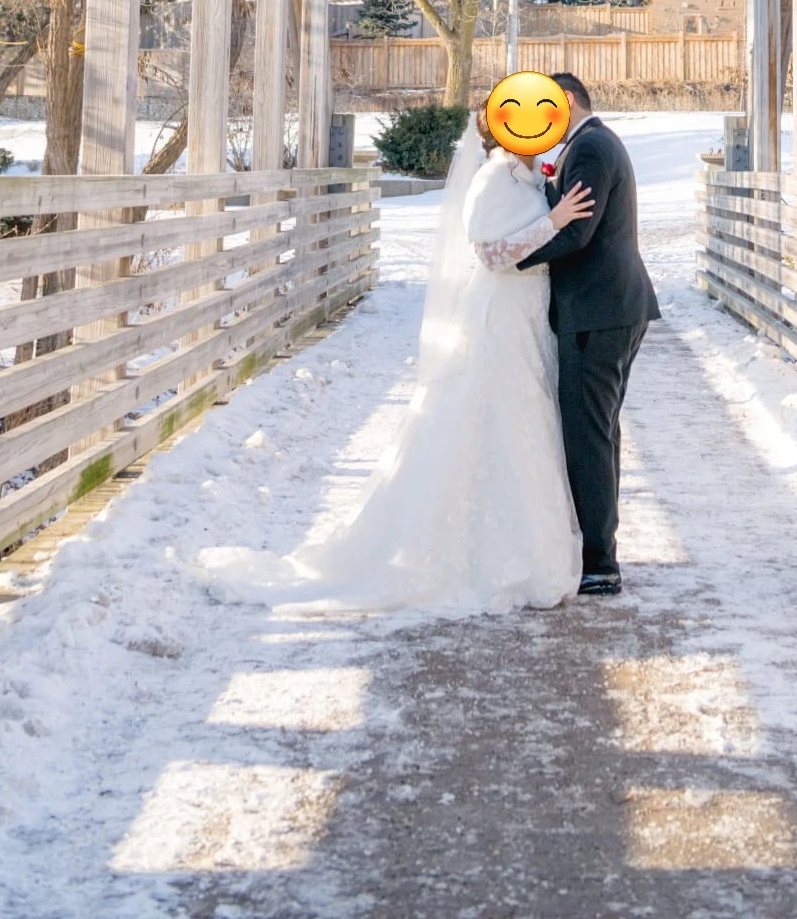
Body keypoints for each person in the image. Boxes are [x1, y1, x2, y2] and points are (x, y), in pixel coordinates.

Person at [201, 106, 596, 615]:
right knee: (498, 419)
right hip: (499, 316)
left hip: (529, 315)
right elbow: (491, 254)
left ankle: (527, 550)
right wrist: (553, 222)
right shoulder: (492, 180)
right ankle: (489, 559)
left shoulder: (530, 176)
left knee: (526, 424)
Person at [516, 73, 661, 596]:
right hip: (607, 307)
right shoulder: (591, 144)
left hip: (597, 311)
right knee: (599, 431)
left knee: (588, 436)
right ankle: (598, 551)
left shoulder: (591, 148)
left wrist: (511, 256)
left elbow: (578, 232)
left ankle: (600, 563)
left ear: (567, 101)